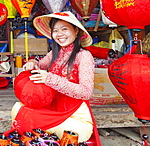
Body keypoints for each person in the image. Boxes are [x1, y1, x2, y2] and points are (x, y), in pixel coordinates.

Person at [10, 11, 101, 145]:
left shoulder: (84, 56)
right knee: (18, 108)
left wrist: (51, 79)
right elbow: (40, 65)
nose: (59, 34)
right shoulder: (56, 52)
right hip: (53, 109)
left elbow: (86, 92)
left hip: (75, 116)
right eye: (55, 30)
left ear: (76, 31)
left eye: (64, 29)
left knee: (28, 118)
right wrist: (33, 63)